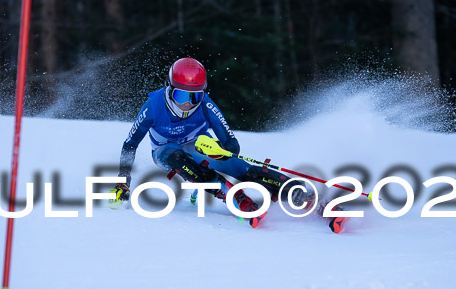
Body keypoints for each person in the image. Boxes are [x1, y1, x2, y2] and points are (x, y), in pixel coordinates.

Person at [109, 57, 313, 228]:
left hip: (198, 145)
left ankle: (293, 190)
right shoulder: (153, 106)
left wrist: (220, 150)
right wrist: (123, 181)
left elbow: (231, 142)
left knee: (241, 167)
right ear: (169, 88)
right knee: (181, 161)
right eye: (181, 95)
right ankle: (235, 197)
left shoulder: (205, 104)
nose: (188, 103)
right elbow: (130, 143)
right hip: (165, 150)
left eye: (195, 96)